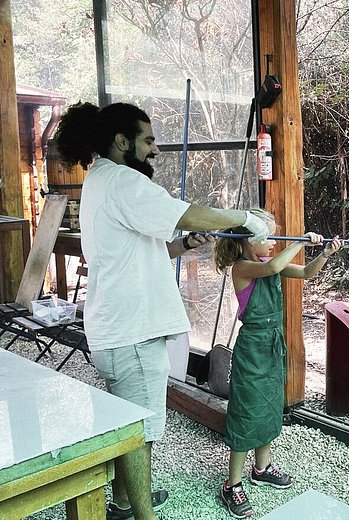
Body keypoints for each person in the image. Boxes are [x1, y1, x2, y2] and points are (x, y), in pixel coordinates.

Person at [52, 101, 272, 520]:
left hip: (118, 329)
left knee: (128, 426)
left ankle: (122, 502)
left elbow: (144, 246)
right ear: (122, 142)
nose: (155, 150)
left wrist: (184, 245)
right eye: (148, 140)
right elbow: (189, 212)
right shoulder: (123, 182)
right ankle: (142, 514)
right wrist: (247, 217)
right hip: (131, 334)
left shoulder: (102, 179)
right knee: (140, 434)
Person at [213, 210, 342, 519]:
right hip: (253, 348)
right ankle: (232, 484)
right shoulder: (243, 268)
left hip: (273, 345)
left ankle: (262, 468)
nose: (271, 243)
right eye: (266, 238)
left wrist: (323, 253)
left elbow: (306, 273)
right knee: (247, 410)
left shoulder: (267, 265)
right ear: (246, 242)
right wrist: (299, 241)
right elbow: (274, 264)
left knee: (270, 406)